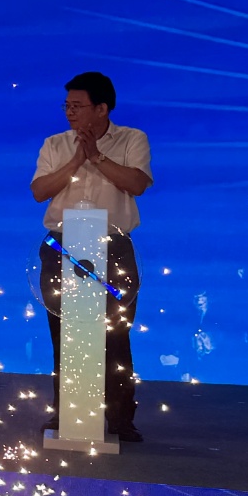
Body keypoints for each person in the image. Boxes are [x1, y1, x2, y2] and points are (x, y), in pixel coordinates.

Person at [30, 72, 151, 443]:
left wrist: (96, 157)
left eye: (78, 106)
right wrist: (75, 161)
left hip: (113, 247)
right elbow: (39, 191)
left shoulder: (132, 138)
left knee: (115, 331)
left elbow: (137, 184)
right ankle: (67, 410)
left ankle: (120, 416)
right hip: (63, 247)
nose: (70, 112)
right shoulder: (55, 143)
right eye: (67, 106)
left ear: (102, 108)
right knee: (63, 331)